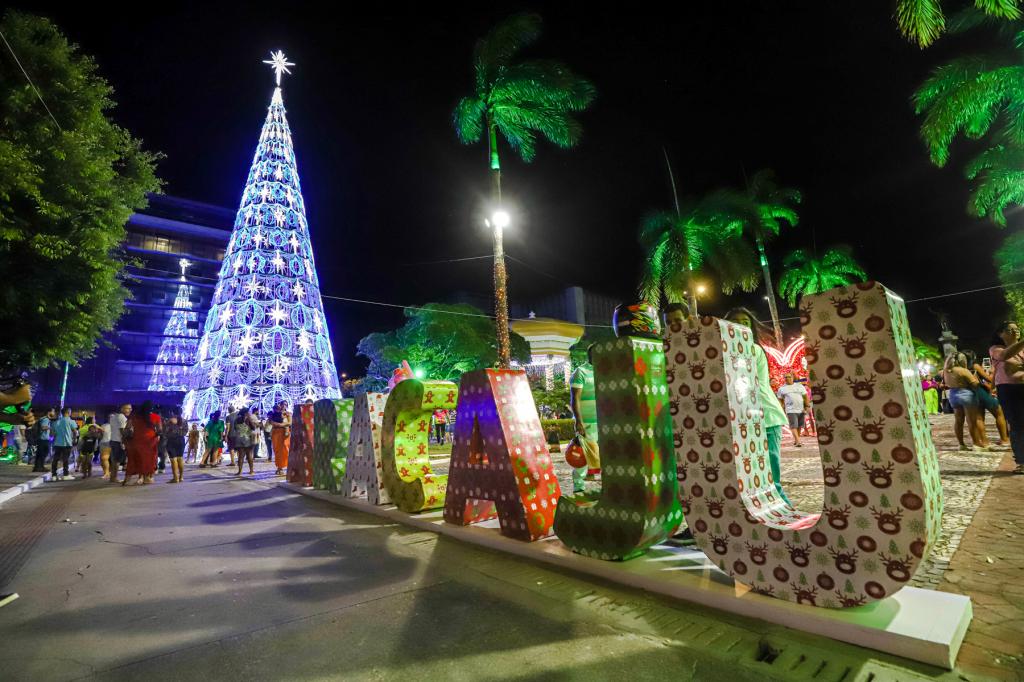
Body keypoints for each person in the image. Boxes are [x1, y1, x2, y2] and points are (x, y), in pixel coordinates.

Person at [724, 308, 792, 506]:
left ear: (751, 327)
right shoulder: (726, 350)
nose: (740, 325)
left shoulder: (752, 349)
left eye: (745, 322)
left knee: (771, 476)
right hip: (744, 418)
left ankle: (786, 511)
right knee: (753, 476)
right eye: (735, 321)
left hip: (766, 417)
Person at [989, 321, 1024, 473]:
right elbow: (1004, 355)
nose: (1015, 331)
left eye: (1017, 329)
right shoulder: (996, 349)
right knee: (1017, 425)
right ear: (1000, 334)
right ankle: (1022, 462)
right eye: (1010, 330)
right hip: (1008, 389)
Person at [942, 353, 990, 451]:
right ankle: (976, 444)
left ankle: (961, 444)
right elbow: (975, 384)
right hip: (966, 394)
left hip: (953, 394)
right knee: (971, 421)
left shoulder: (946, 371)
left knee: (958, 421)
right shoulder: (963, 370)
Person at [569, 345, 600, 494]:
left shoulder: (605, 370)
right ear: (591, 355)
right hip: (587, 422)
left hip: (605, 421)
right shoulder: (580, 372)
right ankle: (578, 486)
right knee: (583, 454)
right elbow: (575, 398)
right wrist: (579, 421)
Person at [967, 350, 1010, 447]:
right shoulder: (975, 366)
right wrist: (993, 372)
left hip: (972, 393)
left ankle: (985, 442)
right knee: (999, 413)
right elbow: (989, 379)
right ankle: (1004, 439)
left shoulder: (963, 368)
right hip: (981, 391)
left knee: (979, 417)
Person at [123, 401, 161, 485]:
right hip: (150, 441)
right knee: (149, 459)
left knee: (136, 458)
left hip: (137, 439)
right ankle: (147, 478)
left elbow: (127, 428)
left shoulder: (135, 416)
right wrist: (156, 435)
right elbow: (159, 430)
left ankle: (130, 478)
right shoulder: (156, 417)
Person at [776, 372, 809, 447]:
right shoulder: (781, 389)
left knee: (799, 426)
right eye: (786, 377)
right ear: (784, 379)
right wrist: (781, 408)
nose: (787, 378)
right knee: (793, 426)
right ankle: (798, 441)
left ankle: (797, 440)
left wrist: (807, 406)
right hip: (790, 410)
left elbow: (805, 396)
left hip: (801, 409)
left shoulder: (800, 386)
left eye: (789, 377)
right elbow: (780, 400)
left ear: (793, 378)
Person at [51, 407, 77, 481]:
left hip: (57, 443)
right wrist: (74, 440)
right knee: (66, 459)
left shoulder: (56, 422)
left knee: (55, 459)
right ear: (68, 412)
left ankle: (54, 475)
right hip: (67, 443)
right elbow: (75, 432)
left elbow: (52, 434)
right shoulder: (71, 421)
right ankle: (66, 475)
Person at [107, 404, 131, 483]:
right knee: (117, 461)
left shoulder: (113, 417)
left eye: (130, 408)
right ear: (122, 409)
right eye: (128, 408)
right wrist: (124, 442)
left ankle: (112, 477)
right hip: (119, 441)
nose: (130, 410)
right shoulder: (122, 417)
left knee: (114, 460)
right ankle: (114, 478)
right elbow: (122, 431)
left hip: (113, 440)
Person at [232, 407, 259, 476]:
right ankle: (251, 471)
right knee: (249, 455)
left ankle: (240, 471)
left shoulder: (237, 419)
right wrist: (250, 419)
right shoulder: (248, 419)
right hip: (247, 439)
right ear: (246, 413)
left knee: (241, 456)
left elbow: (235, 428)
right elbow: (253, 428)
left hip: (239, 439)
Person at [163, 413, 187, 483]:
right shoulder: (184, 421)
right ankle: (181, 477)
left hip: (171, 441)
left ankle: (176, 478)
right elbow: (185, 432)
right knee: (180, 458)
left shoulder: (168, 421)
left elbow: (164, 432)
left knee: (173, 460)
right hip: (181, 441)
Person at [269, 401, 290, 475]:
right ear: (280, 405)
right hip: (276, 433)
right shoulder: (275, 413)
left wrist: (280, 425)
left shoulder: (288, 414)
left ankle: (284, 467)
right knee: (277, 450)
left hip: (285, 433)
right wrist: (274, 423)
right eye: (283, 404)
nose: (284, 406)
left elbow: (290, 422)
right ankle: (279, 467)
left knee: (285, 450)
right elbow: (271, 421)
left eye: (286, 405)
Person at [32, 407, 54, 472]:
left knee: (40, 453)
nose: (54, 413)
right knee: (43, 453)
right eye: (53, 411)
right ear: (49, 412)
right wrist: (50, 428)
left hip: (41, 438)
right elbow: (43, 427)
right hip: (43, 438)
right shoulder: (46, 419)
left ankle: (37, 467)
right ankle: (40, 467)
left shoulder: (43, 418)